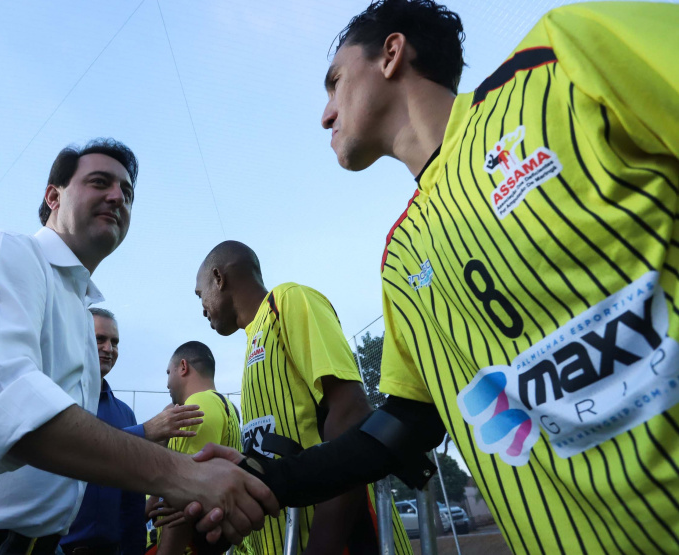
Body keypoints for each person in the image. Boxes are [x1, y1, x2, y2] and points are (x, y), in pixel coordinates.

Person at [196, 1, 679, 553]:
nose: (326, 114)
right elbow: (402, 426)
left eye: (334, 84)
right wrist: (268, 481)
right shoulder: (402, 257)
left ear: (391, 54)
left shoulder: (562, 61)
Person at [0, 139, 277, 555]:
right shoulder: (5, 254)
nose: (118, 197)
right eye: (99, 182)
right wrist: (186, 476)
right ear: (54, 197)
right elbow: (5, 406)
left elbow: (66, 456)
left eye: (127, 191)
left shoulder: (79, 316)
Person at [194, 241, 411, 555]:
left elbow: (350, 411)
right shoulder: (253, 342)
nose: (202, 308)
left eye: (201, 295)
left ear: (218, 277)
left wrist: (321, 546)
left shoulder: (288, 301)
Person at [60, 308, 206, 555]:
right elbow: (75, 454)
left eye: (114, 342)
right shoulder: (61, 400)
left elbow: (130, 499)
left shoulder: (124, 412)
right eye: (100, 339)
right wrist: (146, 432)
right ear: (76, 339)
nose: (109, 348)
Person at [150, 341, 256, 555]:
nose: (167, 383)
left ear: (183, 367)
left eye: (168, 373)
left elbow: (183, 502)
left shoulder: (198, 404)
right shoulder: (224, 406)